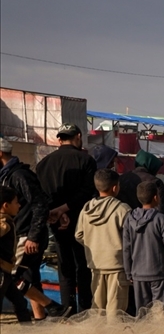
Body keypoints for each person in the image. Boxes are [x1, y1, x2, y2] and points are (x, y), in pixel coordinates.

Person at [35, 123, 96, 313]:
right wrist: (65, 209)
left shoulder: (43, 164)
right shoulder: (86, 161)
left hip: (54, 221)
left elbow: (40, 195)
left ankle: (67, 308)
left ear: (59, 139)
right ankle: (85, 309)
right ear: (78, 136)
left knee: (64, 267)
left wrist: (55, 212)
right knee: (84, 266)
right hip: (80, 221)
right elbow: (87, 192)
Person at [0, 138, 51, 320]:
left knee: (13, 279)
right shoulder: (6, 175)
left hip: (25, 235)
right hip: (19, 235)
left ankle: (51, 307)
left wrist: (33, 236)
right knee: (29, 277)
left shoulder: (19, 176)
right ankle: (40, 318)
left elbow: (40, 204)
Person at [0, 186, 64, 318]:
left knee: (20, 303)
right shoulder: (4, 223)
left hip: (7, 272)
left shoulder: (8, 220)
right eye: (16, 202)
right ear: (6, 205)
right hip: (2, 273)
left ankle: (27, 331)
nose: (19, 205)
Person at [122, 181, 164, 313]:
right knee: (159, 313)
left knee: (143, 312)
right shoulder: (161, 220)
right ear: (156, 197)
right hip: (158, 274)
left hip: (138, 274)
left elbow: (126, 248)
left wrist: (128, 272)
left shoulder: (129, 219)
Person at [75, 169, 130, 315]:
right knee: (116, 309)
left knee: (97, 308)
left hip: (96, 264)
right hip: (117, 265)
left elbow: (79, 234)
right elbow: (131, 237)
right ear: (115, 187)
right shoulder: (122, 209)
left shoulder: (86, 209)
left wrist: (94, 244)